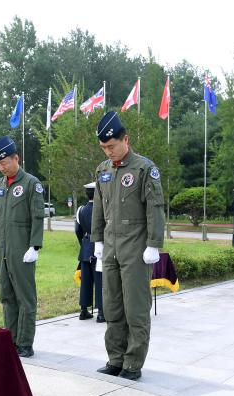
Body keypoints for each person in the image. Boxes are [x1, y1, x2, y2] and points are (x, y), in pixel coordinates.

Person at [91, 111, 165, 381]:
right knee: (111, 306)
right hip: (110, 247)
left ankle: (133, 363)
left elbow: (155, 208)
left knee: (135, 308)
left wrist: (154, 243)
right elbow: (98, 207)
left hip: (136, 248)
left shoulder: (144, 168)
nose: (108, 152)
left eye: (112, 146)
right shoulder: (103, 170)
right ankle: (115, 358)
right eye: (104, 148)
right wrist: (96, 239)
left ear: (126, 139)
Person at [0, 136, 44, 357]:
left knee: (25, 297)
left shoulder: (31, 183)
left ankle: (25, 342)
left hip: (22, 250)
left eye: (5, 163)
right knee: (6, 296)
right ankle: (11, 339)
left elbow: (37, 216)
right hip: (2, 250)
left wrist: (35, 246)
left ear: (16, 158)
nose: (2, 167)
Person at [75, 182, 104, 323]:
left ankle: (83, 311)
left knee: (85, 281)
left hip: (86, 248)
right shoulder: (102, 209)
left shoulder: (80, 210)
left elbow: (78, 231)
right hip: (100, 248)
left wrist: (84, 245)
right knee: (100, 281)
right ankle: (101, 313)